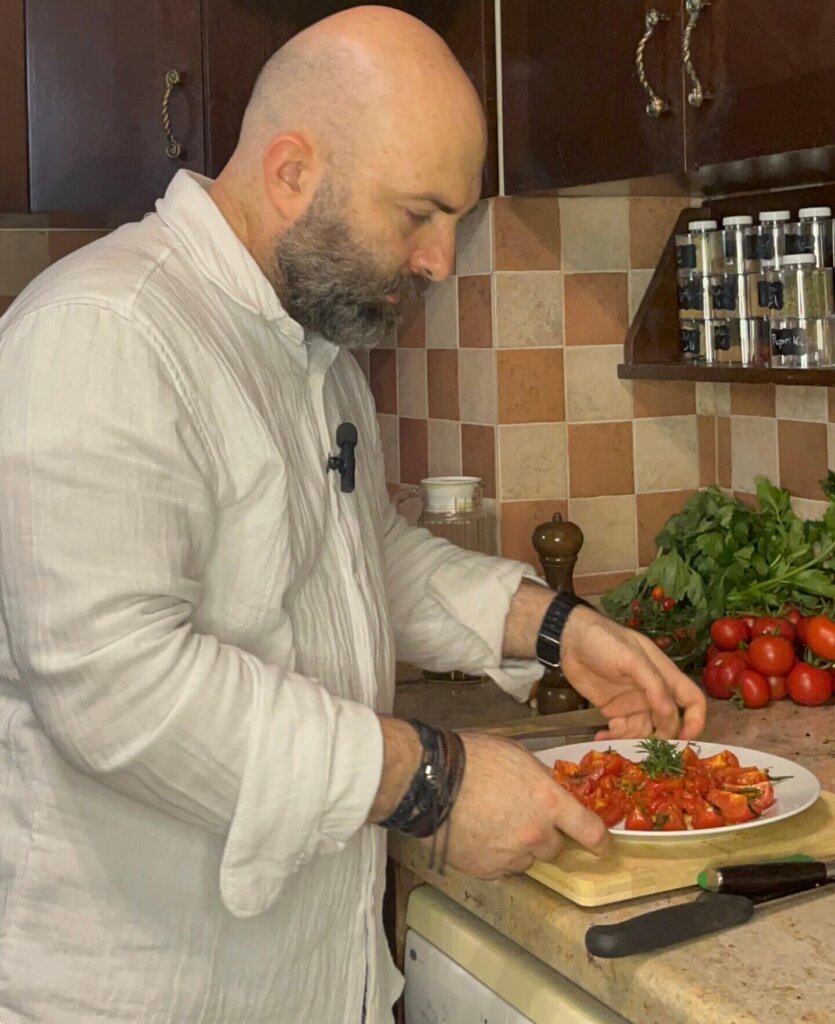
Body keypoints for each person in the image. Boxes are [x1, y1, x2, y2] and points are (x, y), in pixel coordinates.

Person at [0, 6, 705, 1022]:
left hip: (309, 979)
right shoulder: (104, 330)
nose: (439, 259)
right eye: (419, 213)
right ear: (291, 171)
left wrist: (552, 626)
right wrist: (433, 782)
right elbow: (118, 686)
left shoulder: (309, 348)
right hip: (143, 994)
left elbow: (350, 553)